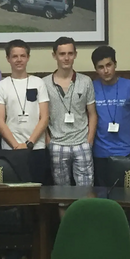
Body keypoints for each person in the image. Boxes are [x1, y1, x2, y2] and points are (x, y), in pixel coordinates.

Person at [43, 36, 97, 186]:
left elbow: (92, 113)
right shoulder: (44, 83)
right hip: (57, 144)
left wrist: (89, 140)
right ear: (54, 56)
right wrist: (49, 141)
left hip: (82, 143)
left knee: (86, 193)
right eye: (62, 54)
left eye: (70, 53)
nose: (66, 58)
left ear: (75, 54)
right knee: (61, 195)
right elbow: (41, 116)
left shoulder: (85, 81)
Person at [0, 39, 49, 184]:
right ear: (8, 59)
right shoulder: (2, 86)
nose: (19, 60)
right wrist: (16, 146)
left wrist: (29, 144)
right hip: (11, 149)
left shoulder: (39, 83)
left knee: (38, 191)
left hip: (36, 148)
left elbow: (44, 118)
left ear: (28, 57)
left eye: (22, 56)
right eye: (15, 56)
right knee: (14, 192)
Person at [91, 46, 130, 186]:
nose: (106, 71)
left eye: (109, 65)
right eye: (101, 67)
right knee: (102, 195)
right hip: (100, 152)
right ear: (96, 69)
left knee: (125, 195)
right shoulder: (91, 87)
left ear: (115, 64)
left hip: (125, 150)